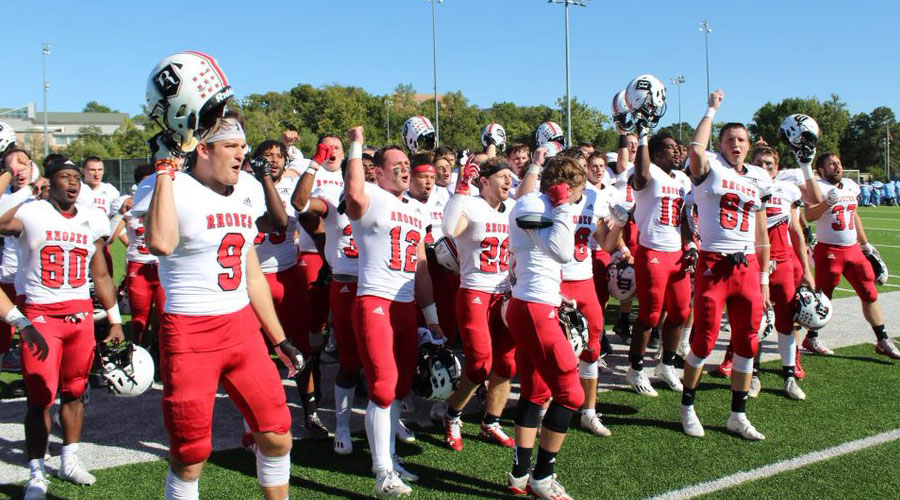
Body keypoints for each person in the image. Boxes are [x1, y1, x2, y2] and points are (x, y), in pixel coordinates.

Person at [141, 53, 303, 499]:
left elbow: (250, 269)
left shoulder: (248, 189)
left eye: (242, 145)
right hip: (190, 334)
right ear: (204, 148)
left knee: (277, 432)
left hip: (241, 331)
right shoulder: (170, 184)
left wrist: (278, 337)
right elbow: (161, 243)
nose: (242, 153)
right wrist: (162, 174)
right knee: (191, 454)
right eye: (232, 146)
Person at [0, 156, 124, 500]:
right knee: (40, 396)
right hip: (40, 316)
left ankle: (69, 459)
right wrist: (23, 191)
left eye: (76, 177)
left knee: (75, 391)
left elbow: (100, 274)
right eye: (64, 177)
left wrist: (114, 320)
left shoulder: (91, 217)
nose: (72, 183)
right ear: (50, 182)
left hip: (80, 315)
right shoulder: (31, 212)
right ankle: (36, 471)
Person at [343, 126, 443, 497]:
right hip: (375, 301)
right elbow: (353, 193)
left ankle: (391, 457)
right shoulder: (369, 196)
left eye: (406, 163)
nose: (404, 168)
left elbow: (420, 266)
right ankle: (381, 470)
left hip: (405, 307)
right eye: (396, 164)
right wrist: (355, 145)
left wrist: (431, 317)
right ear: (378, 172)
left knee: (400, 389)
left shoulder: (417, 209)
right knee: (383, 387)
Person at [681, 90, 771, 441]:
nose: (737, 144)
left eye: (742, 139)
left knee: (747, 341)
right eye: (730, 139)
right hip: (714, 262)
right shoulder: (710, 169)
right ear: (720, 143)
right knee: (703, 340)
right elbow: (696, 151)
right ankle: (688, 406)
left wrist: (763, 275)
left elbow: (761, 232)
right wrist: (711, 110)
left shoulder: (758, 178)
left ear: (749, 145)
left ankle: (738, 413)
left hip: (746, 263)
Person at [505, 156, 586, 500]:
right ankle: (542, 476)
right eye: (578, 190)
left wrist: (556, 296)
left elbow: (541, 258)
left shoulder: (536, 202)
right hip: (534, 308)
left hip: (531, 302)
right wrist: (564, 207)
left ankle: (520, 473)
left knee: (536, 391)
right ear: (567, 185)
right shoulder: (537, 203)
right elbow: (562, 252)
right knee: (571, 394)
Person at [249, 139, 332, 439]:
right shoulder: (245, 186)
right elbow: (276, 221)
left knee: (302, 350)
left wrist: (328, 258)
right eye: (266, 155)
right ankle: (258, 417)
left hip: (288, 276)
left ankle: (310, 412)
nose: (273, 160)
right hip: (254, 278)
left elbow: (310, 223)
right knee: (255, 354)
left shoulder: (293, 184)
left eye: (278, 155)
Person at [440, 157, 518, 451]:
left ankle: (491, 421)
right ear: (484, 181)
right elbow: (449, 229)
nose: (509, 182)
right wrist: (460, 189)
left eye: (511, 176)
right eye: (502, 177)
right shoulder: (471, 205)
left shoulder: (512, 209)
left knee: (508, 362)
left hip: (504, 292)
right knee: (479, 364)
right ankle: (452, 414)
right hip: (474, 291)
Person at [802, 153, 900, 359]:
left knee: (869, 293)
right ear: (821, 170)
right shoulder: (817, 187)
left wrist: (865, 244)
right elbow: (808, 216)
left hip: (853, 249)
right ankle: (812, 337)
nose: (837, 167)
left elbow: (854, 215)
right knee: (823, 298)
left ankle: (882, 339)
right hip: (829, 250)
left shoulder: (849, 185)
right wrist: (826, 203)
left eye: (838, 163)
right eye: (831, 164)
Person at [627, 132, 693, 397]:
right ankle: (635, 368)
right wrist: (643, 136)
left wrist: (691, 246)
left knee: (680, 311)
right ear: (654, 153)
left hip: (677, 251)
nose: (676, 152)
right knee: (650, 314)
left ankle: (666, 365)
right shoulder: (648, 172)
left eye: (677, 147)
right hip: (652, 250)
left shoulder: (683, 179)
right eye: (668, 148)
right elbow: (640, 175)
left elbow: (686, 217)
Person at [108, 164, 165, 346]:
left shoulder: (168, 201)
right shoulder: (129, 203)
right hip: (138, 265)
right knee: (139, 319)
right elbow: (109, 238)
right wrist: (120, 214)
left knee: (166, 316)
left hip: (163, 266)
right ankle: (139, 354)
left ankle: (162, 353)